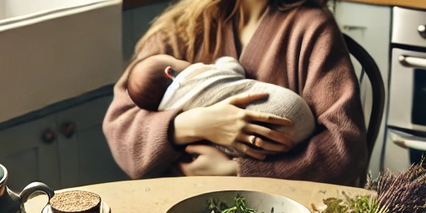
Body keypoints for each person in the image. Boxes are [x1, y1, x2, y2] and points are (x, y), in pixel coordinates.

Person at [102, 0, 368, 185]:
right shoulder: (181, 28)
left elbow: (346, 146)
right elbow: (121, 126)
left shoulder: (311, 30)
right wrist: (194, 124)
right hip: (182, 206)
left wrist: (240, 171)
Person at [124, 53, 317, 155]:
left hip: (253, 158)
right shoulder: (196, 75)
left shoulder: (171, 107)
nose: (188, 61)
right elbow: (126, 134)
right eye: (178, 59)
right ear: (170, 71)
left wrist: (234, 169)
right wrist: (189, 125)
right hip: (291, 111)